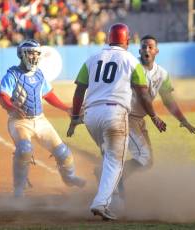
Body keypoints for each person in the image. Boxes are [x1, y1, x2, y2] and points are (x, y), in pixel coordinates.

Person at [67, 23, 167, 221]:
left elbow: (79, 90)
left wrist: (75, 118)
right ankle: (101, 203)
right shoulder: (131, 60)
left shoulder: (92, 59)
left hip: (91, 116)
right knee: (115, 162)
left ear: (107, 39)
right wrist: (154, 116)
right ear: (127, 41)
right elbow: (144, 95)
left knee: (109, 158)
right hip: (114, 113)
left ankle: (114, 200)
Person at [0, 39, 86, 198]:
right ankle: (18, 189)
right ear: (21, 54)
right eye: (30, 53)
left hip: (40, 120)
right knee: (24, 149)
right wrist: (11, 107)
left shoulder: (39, 74)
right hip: (19, 122)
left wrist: (66, 108)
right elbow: (3, 96)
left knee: (63, 153)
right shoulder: (12, 75)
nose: (34, 57)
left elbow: (48, 94)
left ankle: (69, 178)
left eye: (36, 54)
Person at [116, 34, 195, 203]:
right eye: (144, 46)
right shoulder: (132, 66)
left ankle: (113, 174)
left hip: (140, 120)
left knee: (148, 162)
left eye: (150, 47)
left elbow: (168, 101)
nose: (147, 49)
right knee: (143, 157)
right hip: (126, 116)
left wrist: (183, 120)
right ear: (139, 50)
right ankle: (115, 178)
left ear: (156, 51)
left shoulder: (162, 74)